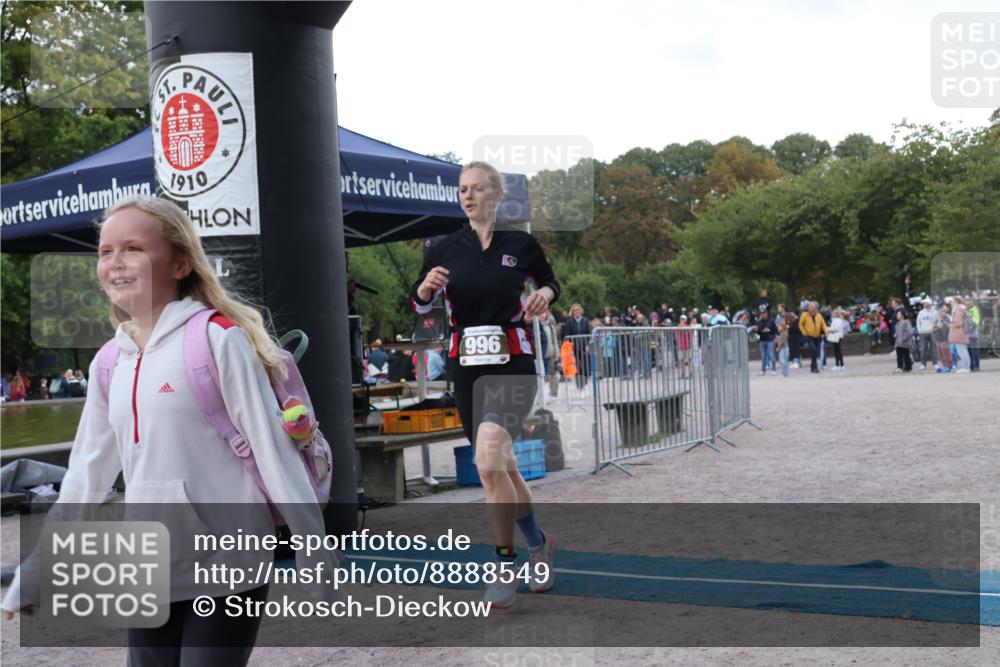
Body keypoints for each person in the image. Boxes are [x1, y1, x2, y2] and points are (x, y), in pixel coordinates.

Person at [1, 197, 338, 665]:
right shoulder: (108, 363)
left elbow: (272, 450)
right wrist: (36, 572)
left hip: (228, 559)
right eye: (105, 251)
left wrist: (313, 548)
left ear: (181, 263)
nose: (116, 261)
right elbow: (84, 478)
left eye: (134, 247)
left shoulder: (218, 339)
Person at [411, 162, 559, 608]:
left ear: (496, 194)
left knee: (489, 457)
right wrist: (423, 291)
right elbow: (420, 307)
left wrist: (545, 297)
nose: (468, 196)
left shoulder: (521, 245)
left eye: (477, 189)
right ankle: (540, 544)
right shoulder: (443, 247)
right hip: (467, 367)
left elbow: (551, 283)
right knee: (502, 467)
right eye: (462, 190)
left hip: (513, 363)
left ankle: (503, 562)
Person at [563, 303, 591, 391]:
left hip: (584, 347)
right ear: (572, 312)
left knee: (586, 367)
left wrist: (588, 344)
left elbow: (589, 333)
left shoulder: (586, 321)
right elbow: (567, 335)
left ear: (581, 311)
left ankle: (585, 383)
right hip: (574, 348)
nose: (577, 312)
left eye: (578, 310)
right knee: (577, 368)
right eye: (575, 310)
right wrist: (569, 347)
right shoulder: (569, 322)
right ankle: (580, 386)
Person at [797, 302, 829, 374]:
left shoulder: (819, 315)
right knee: (813, 350)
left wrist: (826, 331)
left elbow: (823, 324)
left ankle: (812, 366)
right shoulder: (805, 315)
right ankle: (815, 367)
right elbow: (800, 324)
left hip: (817, 336)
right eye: (811, 307)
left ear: (816, 308)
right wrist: (804, 333)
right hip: (809, 336)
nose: (813, 308)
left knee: (815, 352)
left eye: (814, 307)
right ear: (808, 308)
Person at [948, 296, 971, 373]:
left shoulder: (958, 310)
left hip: (959, 333)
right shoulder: (962, 308)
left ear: (956, 302)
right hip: (963, 333)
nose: (951, 303)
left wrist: (950, 325)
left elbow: (958, 323)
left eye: (952, 301)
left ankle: (966, 367)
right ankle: (966, 366)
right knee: (963, 350)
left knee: (961, 350)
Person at [915, 298, 939, 370]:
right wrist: (920, 331)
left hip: (933, 333)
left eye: (925, 303)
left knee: (934, 349)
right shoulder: (921, 313)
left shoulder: (935, 312)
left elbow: (938, 321)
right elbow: (918, 322)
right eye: (923, 303)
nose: (924, 304)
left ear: (929, 303)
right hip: (923, 333)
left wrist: (936, 328)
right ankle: (923, 364)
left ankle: (935, 364)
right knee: (923, 349)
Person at [754, 310, 776, 375]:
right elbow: (757, 332)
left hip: (770, 340)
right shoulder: (759, 322)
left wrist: (769, 330)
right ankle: (763, 370)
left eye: (764, 313)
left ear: (767, 314)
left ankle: (773, 369)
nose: (763, 315)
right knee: (763, 356)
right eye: (762, 313)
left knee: (771, 355)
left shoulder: (771, 321)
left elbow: (775, 330)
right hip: (762, 340)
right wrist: (760, 330)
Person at [933, 304, 953, 373]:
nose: (942, 313)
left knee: (946, 353)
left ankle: (948, 366)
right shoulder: (936, 319)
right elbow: (933, 328)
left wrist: (944, 324)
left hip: (945, 338)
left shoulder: (947, 318)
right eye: (940, 311)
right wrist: (936, 328)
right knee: (940, 353)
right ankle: (944, 365)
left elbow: (950, 327)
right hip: (938, 338)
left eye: (943, 311)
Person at [967, 297, 981, 372]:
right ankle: (971, 366)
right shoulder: (968, 311)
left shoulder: (975, 310)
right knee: (969, 351)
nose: (967, 304)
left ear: (972, 303)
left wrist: (968, 330)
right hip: (967, 335)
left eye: (969, 303)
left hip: (973, 335)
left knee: (973, 350)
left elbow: (976, 322)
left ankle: (976, 366)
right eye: (966, 303)